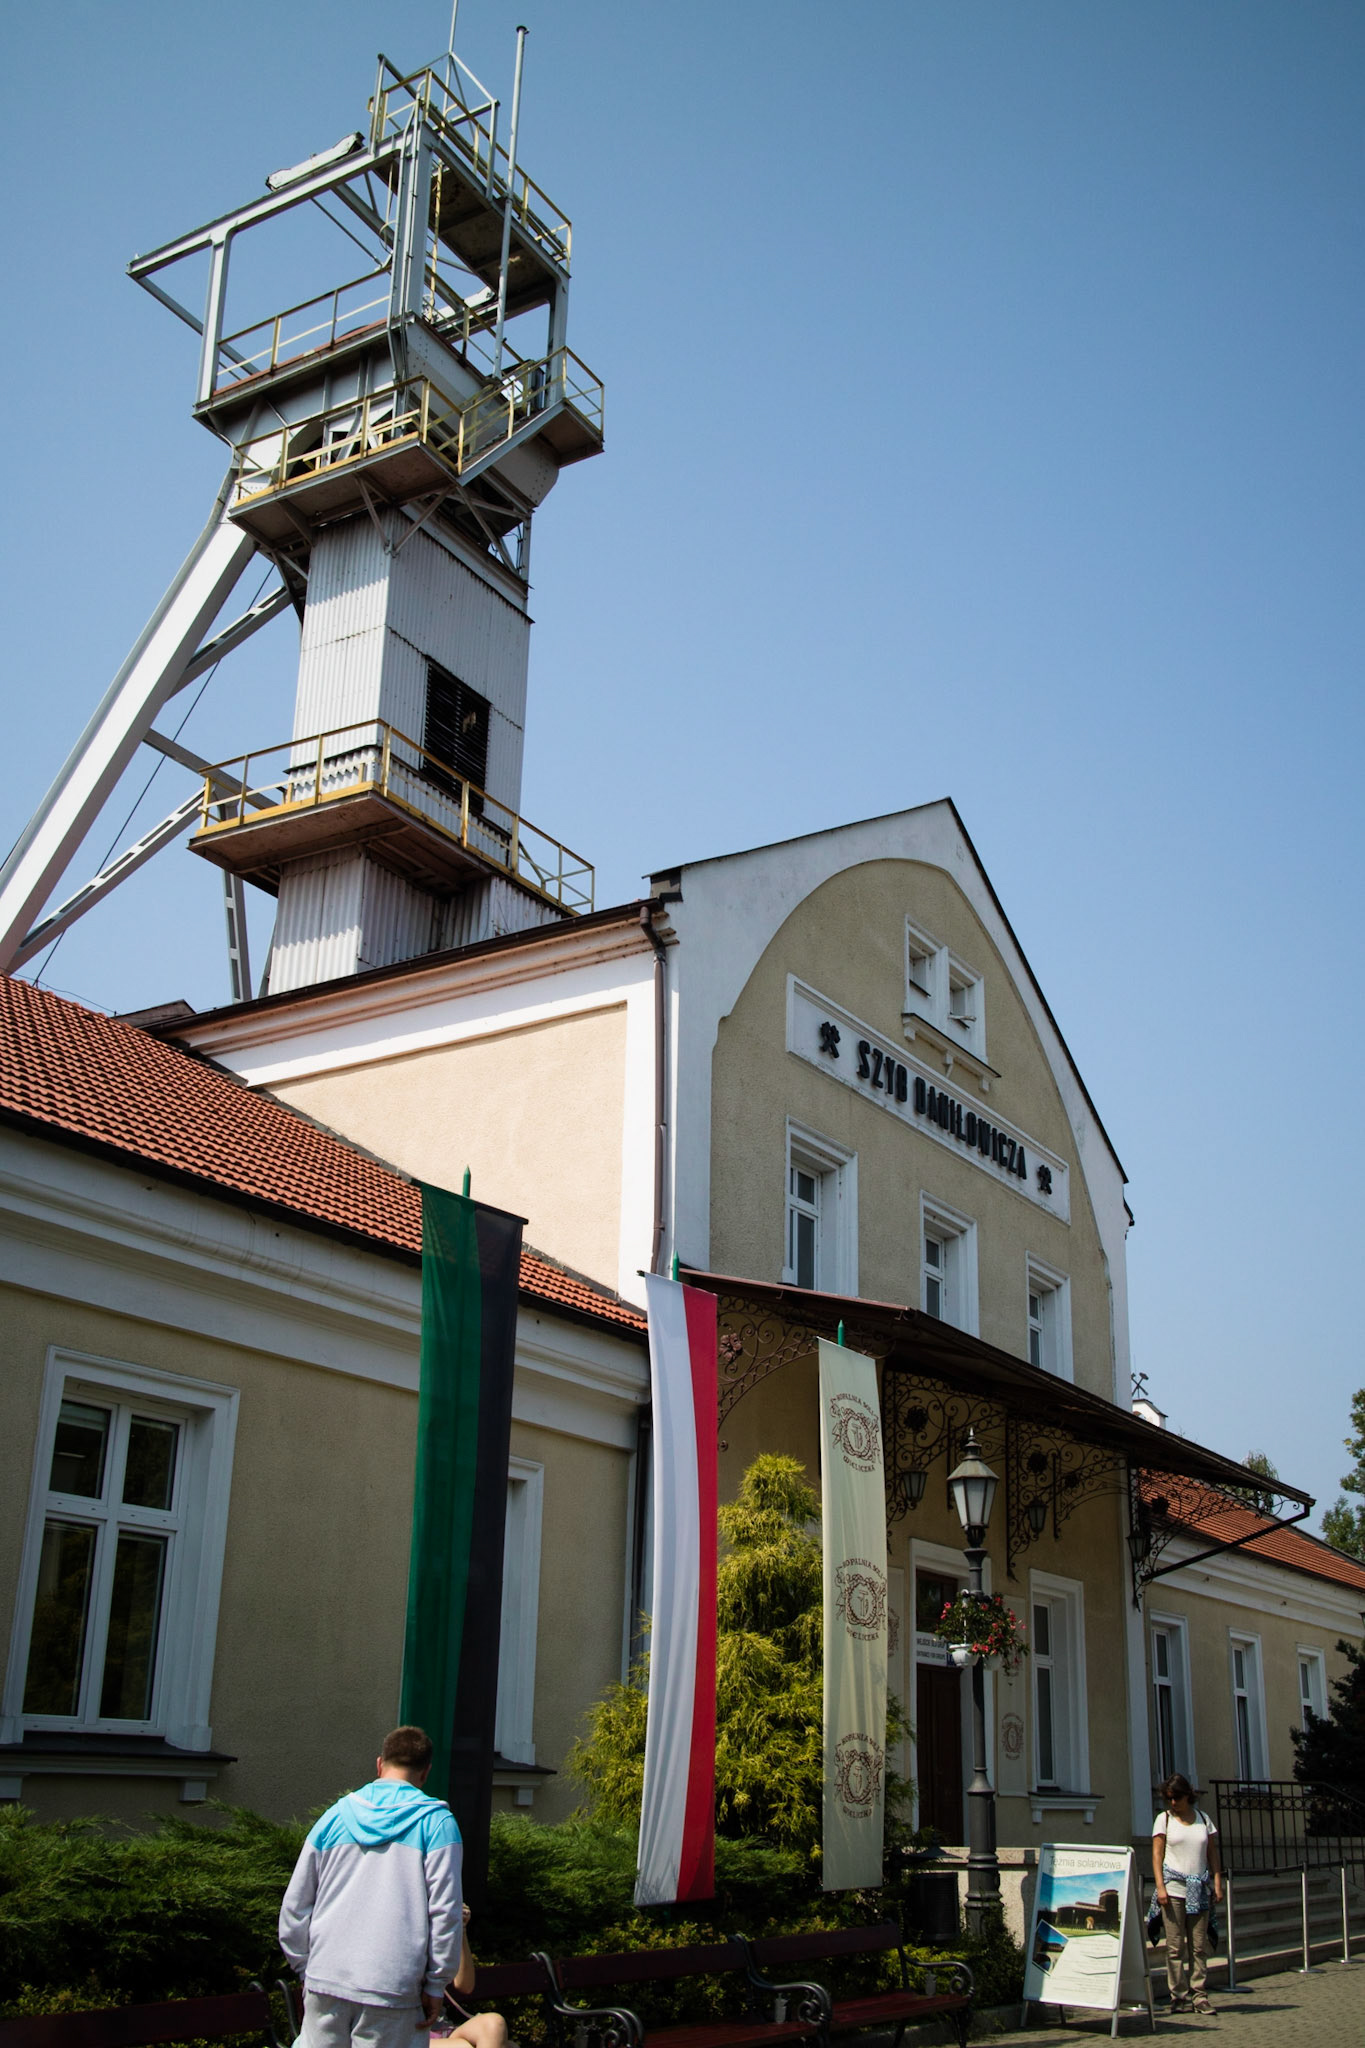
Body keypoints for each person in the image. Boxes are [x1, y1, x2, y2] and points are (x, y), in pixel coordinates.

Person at [280, 1726, 464, 2048]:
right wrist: (437, 1984)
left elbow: (295, 1906)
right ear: (426, 1772)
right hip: (393, 1986)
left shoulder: (333, 1818)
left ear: (380, 1764)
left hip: (326, 1978)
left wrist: (306, 1968)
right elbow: (445, 1913)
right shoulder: (437, 1824)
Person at [1152, 1772, 1223, 2016]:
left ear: (1188, 1795)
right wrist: (1160, 1887)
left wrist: (1217, 1880)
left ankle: (1200, 1995)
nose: (1173, 1803)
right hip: (1173, 1890)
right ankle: (1178, 1996)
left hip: (1199, 1889)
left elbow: (1212, 1853)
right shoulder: (1164, 1820)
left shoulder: (1203, 1819)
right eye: (1169, 1798)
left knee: (1199, 1946)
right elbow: (1157, 1855)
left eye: (1177, 1797)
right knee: (1174, 1947)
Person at [439, 1905, 508, 2048]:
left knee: (494, 2024)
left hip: (443, 2029)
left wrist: (460, 1929)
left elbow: (465, 1986)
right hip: (407, 2034)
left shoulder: (439, 1936)